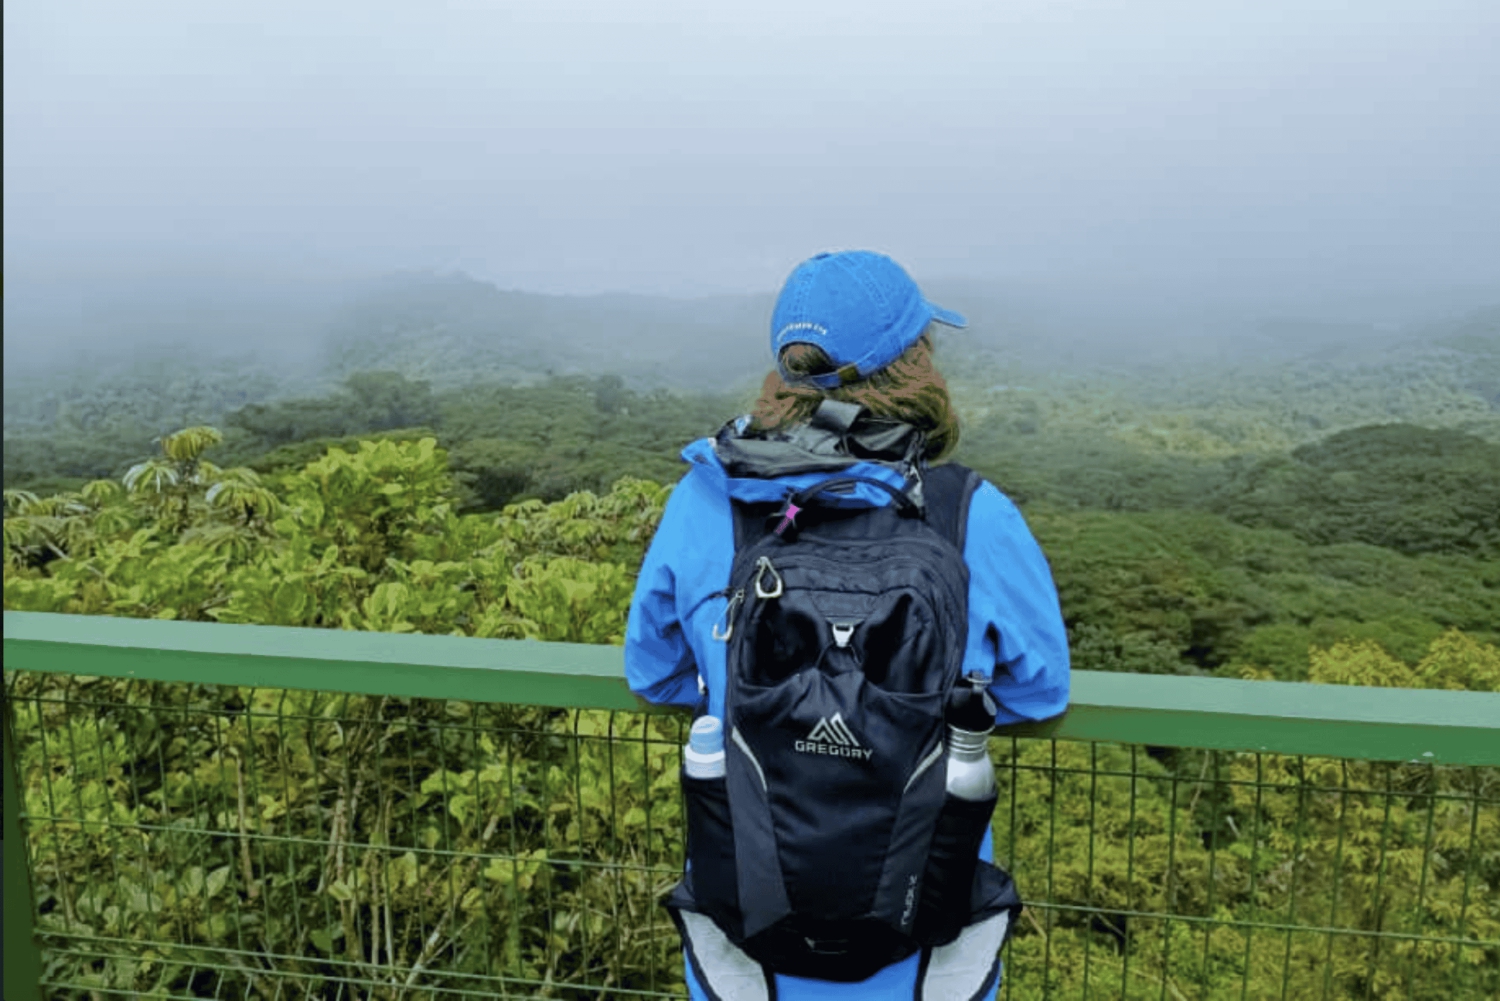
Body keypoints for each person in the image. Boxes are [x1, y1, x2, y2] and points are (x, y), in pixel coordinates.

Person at [624, 250, 1070, 1000]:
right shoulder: (970, 514)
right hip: (926, 935)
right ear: (915, 364)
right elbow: (1038, 692)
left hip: (747, 937)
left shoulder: (706, 500)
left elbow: (654, 670)